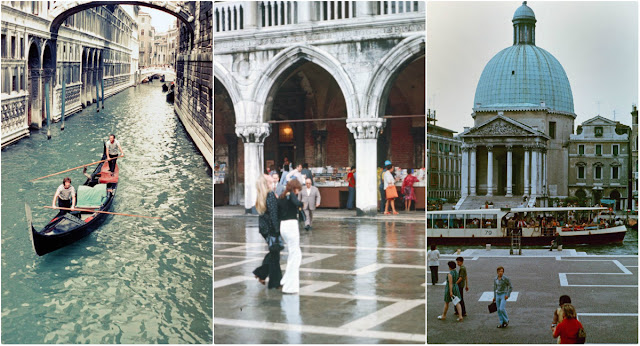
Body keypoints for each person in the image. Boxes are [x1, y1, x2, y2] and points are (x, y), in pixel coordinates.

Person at [252, 175, 283, 289]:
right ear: (267, 183)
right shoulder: (269, 195)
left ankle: (262, 274)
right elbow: (274, 215)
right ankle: (274, 282)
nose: (273, 181)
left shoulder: (263, 195)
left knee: (274, 253)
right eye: (271, 181)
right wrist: (277, 230)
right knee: (275, 255)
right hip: (271, 229)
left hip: (265, 228)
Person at [279, 179, 303, 294]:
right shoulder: (291, 195)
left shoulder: (282, 196)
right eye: (298, 189)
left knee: (293, 254)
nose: (298, 192)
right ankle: (290, 286)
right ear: (294, 188)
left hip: (283, 225)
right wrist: (302, 204)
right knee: (295, 255)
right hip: (291, 225)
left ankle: (286, 279)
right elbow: (298, 203)